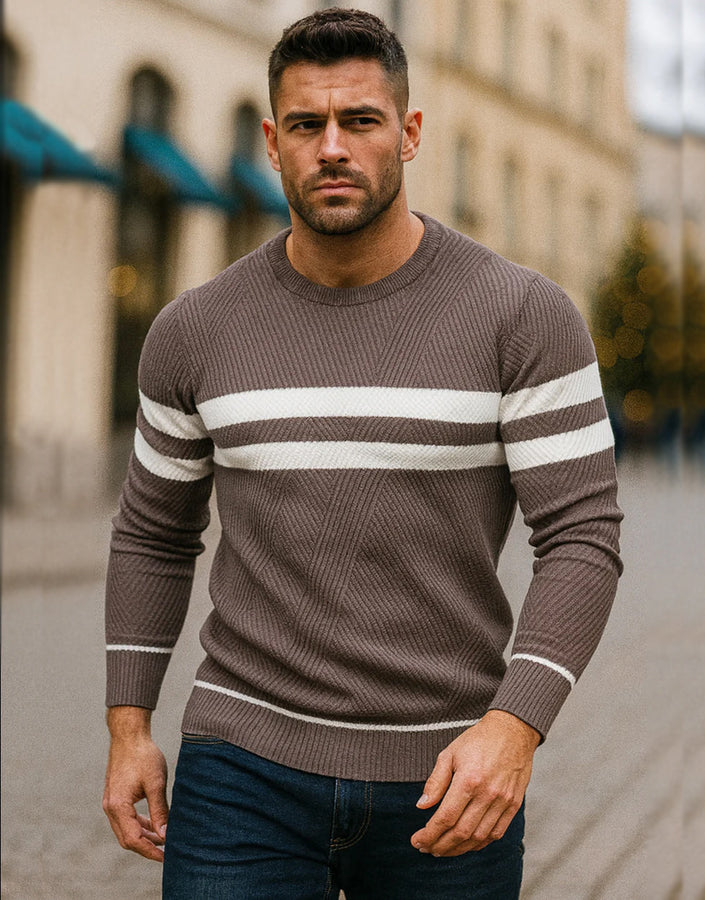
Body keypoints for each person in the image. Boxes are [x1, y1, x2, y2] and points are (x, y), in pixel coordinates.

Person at [102, 8, 623, 899]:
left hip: (450, 775)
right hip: (242, 768)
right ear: (273, 141)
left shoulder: (523, 316)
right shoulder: (194, 330)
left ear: (410, 133)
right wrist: (128, 728)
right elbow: (153, 535)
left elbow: (582, 536)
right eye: (306, 125)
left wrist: (516, 728)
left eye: (361, 121)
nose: (332, 147)